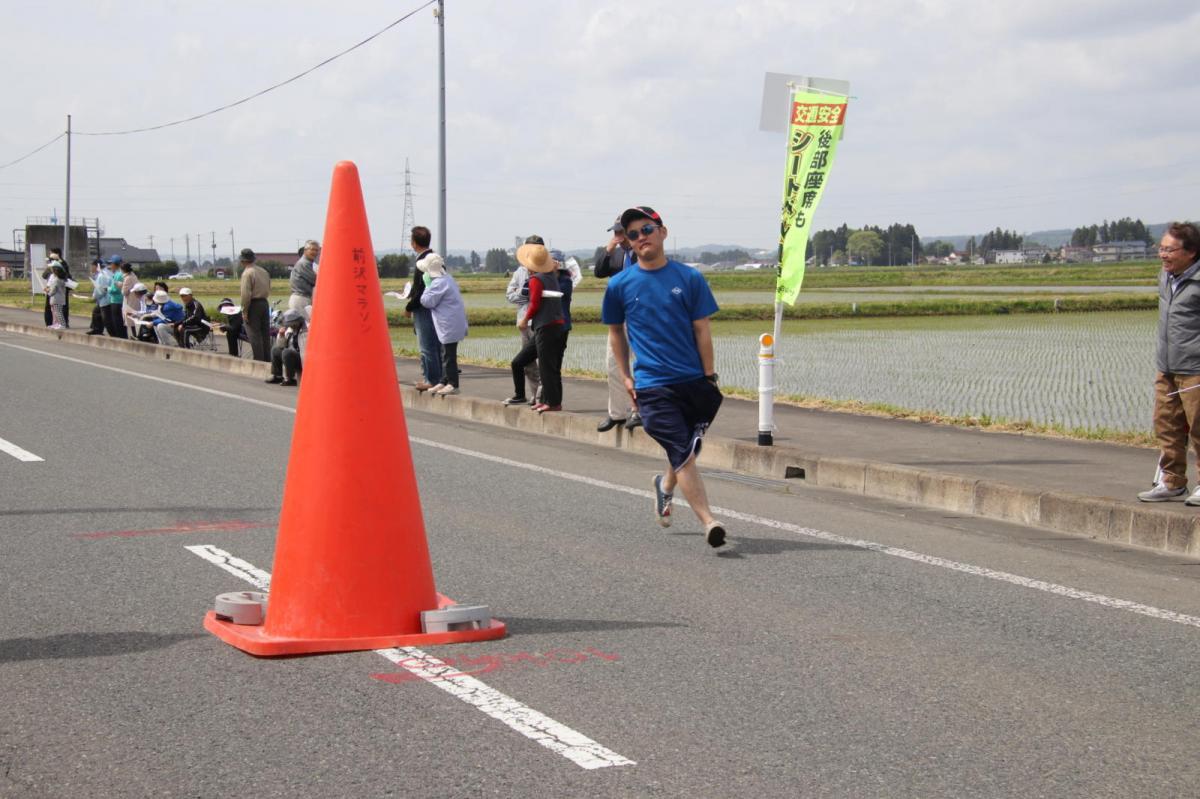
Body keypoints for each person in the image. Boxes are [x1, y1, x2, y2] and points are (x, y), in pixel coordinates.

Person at [601, 206, 727, 548]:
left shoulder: (689, 279)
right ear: (628, 242)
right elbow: (616, 334)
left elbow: (702, 329)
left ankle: (665, 486)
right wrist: (626, 376)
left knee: (686, 445)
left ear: (662, 232)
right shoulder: (619, 286)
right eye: (633, 235)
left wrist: (708, 376)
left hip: (692, 380)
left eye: (646, 230)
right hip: (652, 385)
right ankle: (709, 521)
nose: (641, 238)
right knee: (683, 452)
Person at [1139, 222, 1200, 504]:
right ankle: (1172, 482)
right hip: (1167, 365)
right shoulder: (1165, 277)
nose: (1163, 255)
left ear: (1191, 252)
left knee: (1198, 427)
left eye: (1169, 249)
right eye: (1161, 249)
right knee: (1166, 425)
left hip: (1195, 369)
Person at [593, 216, 642, 432]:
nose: (618, 237)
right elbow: (599, 272)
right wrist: (609, 249)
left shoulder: (643, 251)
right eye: (616, 233)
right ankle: (617, 413)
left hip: (640, 316)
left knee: (640, 365)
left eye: (621, 233)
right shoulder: (617, 253)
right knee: (613, 364)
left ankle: (639, 411)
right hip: (619, 316)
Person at [509, 243, 566, 413]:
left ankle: (553, 403)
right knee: (536, 364)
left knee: (546, 367)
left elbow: (533, 304)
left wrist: (524, 320)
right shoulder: (551, 277)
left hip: (545, 326)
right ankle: (549, 400)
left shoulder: (535, 280)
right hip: (555, 325)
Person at [419, 252, 468, 395]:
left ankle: (453, 384)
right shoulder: (447, 279)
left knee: (448, 355)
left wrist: (427, 286)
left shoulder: (439, 284)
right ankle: (443, 381)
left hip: (449, 324)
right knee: (444, 353)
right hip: (450, 323)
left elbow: (427, 302)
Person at [505, 235, 544, 404]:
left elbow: (542, 299)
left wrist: (527, 296)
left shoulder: (546, 270)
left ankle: (544, 395)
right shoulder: (520, 271)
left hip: (539, 322)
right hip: (523, 322)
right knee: (528, 363)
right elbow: (510, 295)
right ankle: (535, 394)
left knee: (543, 361)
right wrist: (524, 295)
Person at [404, 226, 444, 390]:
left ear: (414, 243)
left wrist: (409, 306)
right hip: (435, 307)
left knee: (427, 346)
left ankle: (431, 380)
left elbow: (421, 290)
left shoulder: (424, 261)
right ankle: (439, 379)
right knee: (436, 345)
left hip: (424, 308)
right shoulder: (435, 258)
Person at [238, 248, 271, 361]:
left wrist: (245, 311)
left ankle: (259, 361)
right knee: (265, 334)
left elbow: (246, 294)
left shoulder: (247, 273)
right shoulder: (263, 271)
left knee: (254, 335)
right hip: (264, 303)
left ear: (243, 261)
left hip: (253, 305)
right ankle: (268, 360)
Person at [266, 309, 306, 386]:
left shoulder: (305, 331)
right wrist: (281, 335)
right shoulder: (289, 330)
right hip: (290, 355)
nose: (290, 326)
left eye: (292, 324)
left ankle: (290, 378)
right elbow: (281, 346)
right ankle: (277, 375)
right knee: (275, 349)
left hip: (302, 357)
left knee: (286, 352)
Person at [96, 256, 126, 338]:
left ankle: (120, 338)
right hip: (119, 300)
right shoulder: (120, 273)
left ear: (115, 264)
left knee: (117, 322)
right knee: (118, 321)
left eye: (111, 263)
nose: (109, 265)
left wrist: (107, 288)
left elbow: (115, 289)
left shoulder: (118, 274)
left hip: (116, 300)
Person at [43, 247, 73, 328]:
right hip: (54, 288)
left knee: (58, 308)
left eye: (51, 253)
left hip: (58, 289)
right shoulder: (54, 264)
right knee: (54, 308)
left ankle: (61, 323)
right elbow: (44, 275)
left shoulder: (60, 264)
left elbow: (45, 275)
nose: (50, 255)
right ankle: (54, 323)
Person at [290, 239, 319, 318]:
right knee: (305, 326)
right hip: (301, 298)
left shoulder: (310, 263)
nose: (315, 252)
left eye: (317, 250)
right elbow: (317, 280)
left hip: (304, 298)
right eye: (312, 249)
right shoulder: (304, 263)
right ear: (305, 250)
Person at [43, 261, 67, 329]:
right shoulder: (61, 279)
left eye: (52, 269)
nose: (52, 271)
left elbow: (53, 290)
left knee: (58, 312)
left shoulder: (56, 280)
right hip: (59, 298)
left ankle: (62, 324)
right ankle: (57, 324)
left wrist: (48, 291)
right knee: (56, 312)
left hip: (56, 299)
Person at [85, 259, 105, 335]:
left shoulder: (100, 275)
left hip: (102, 298)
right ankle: (97, 329)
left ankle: (97, 329)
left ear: (97, 266)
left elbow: (99, 287)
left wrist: (94, 296)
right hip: (100, 299)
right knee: (97, 313)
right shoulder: (97, 275)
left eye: (92, 266)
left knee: (97, 312)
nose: (91, 268)